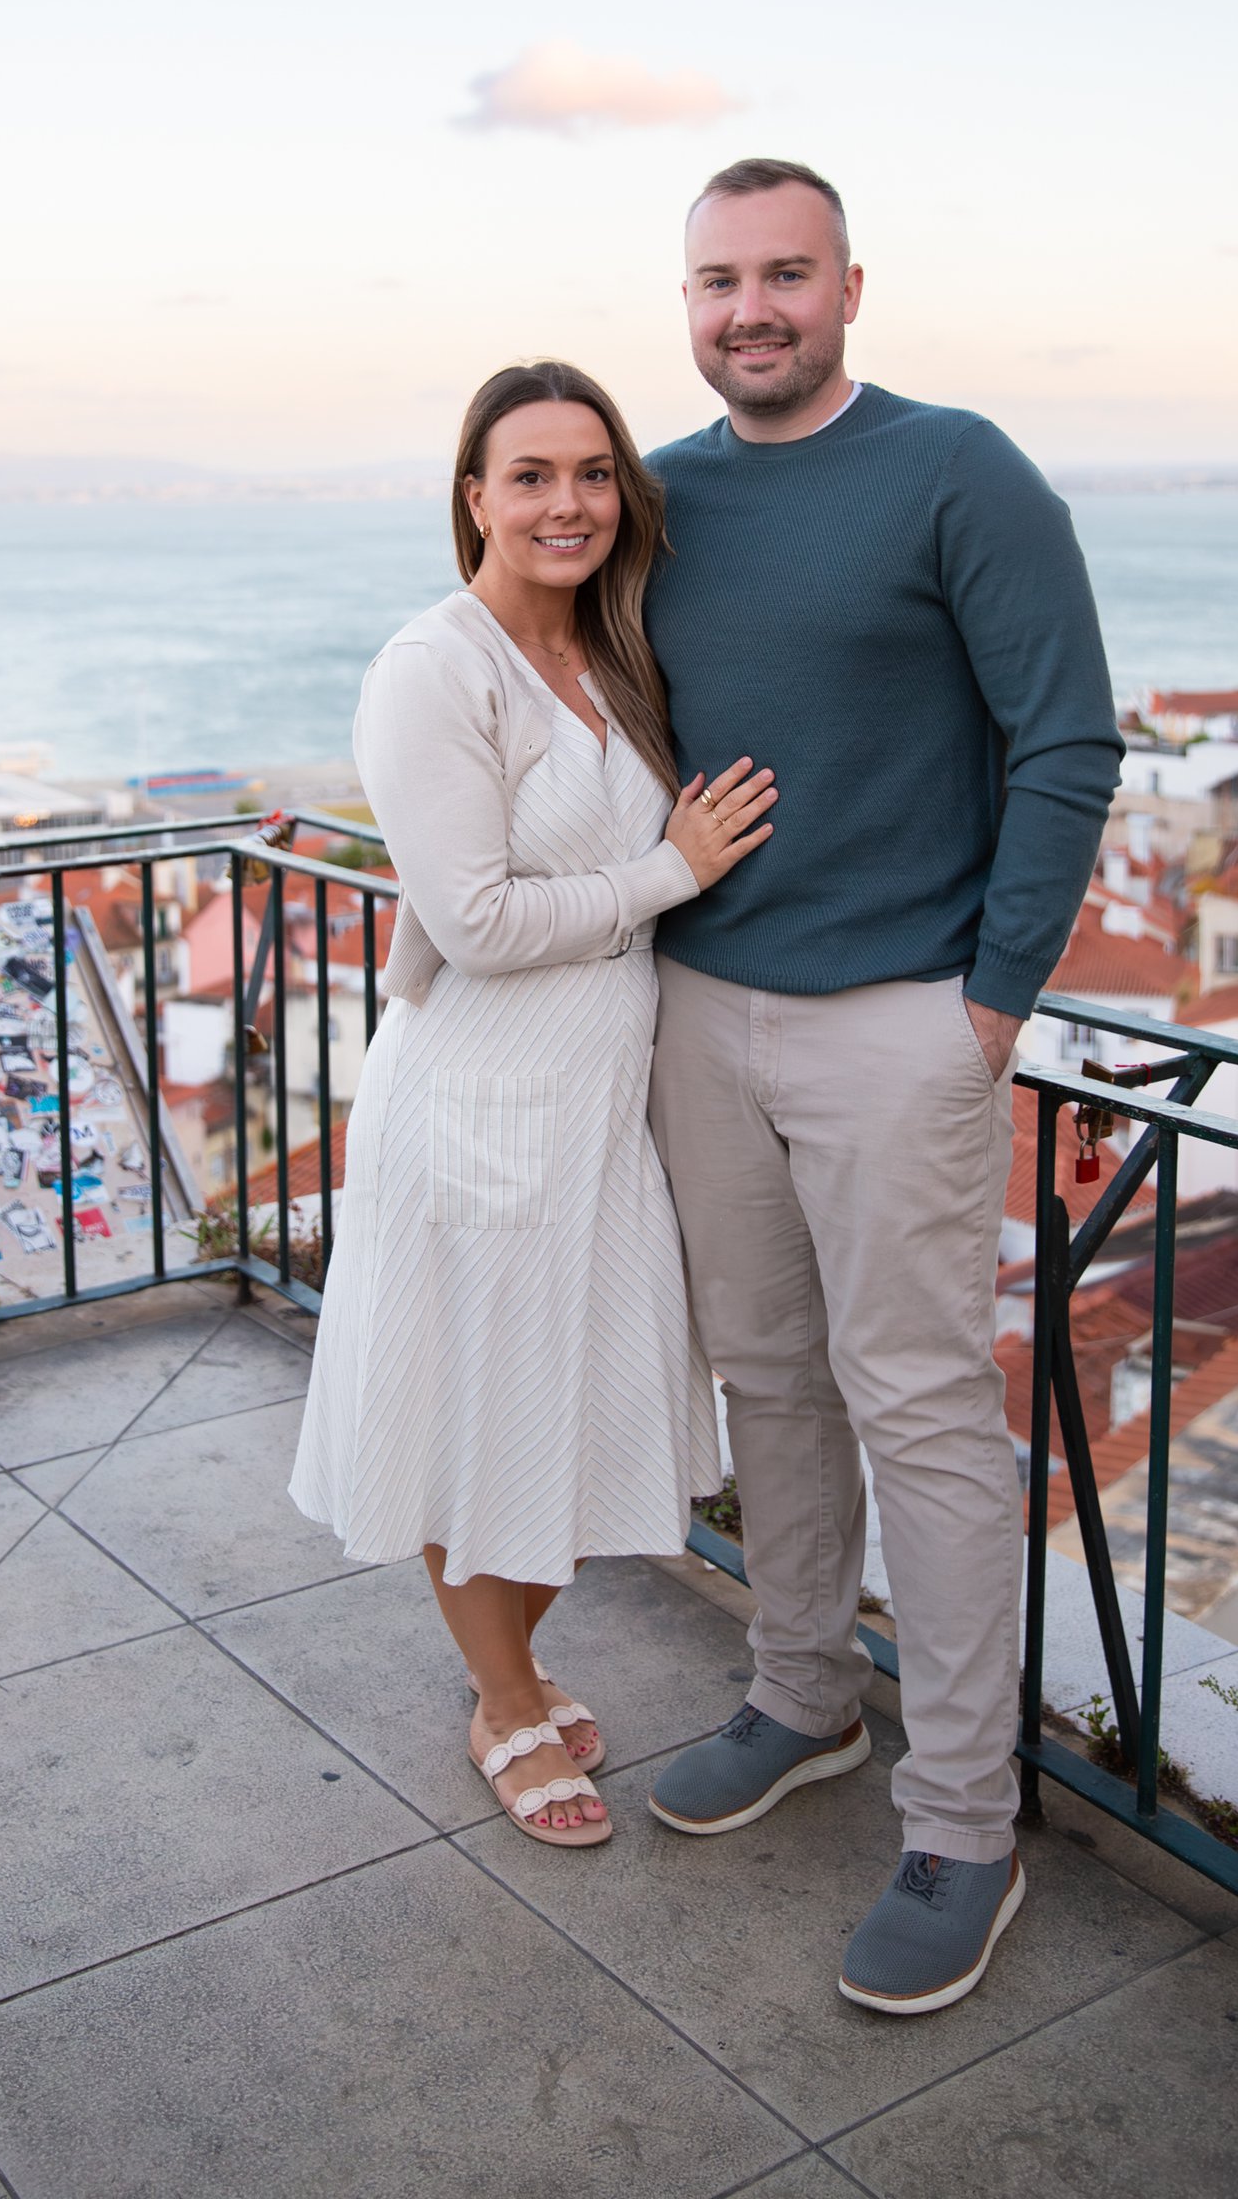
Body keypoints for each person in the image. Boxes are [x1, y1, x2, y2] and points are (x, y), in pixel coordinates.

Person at [642, 157, 1123, 2011]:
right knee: (766, 1375)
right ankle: (803, 1693)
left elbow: (1067, 739)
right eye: (718, 280)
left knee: (918, 1412)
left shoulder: (959, 471)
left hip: (901, 1021)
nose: (750, 308)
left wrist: (988, 1007)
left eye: (786, 274)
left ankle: (965, 1823)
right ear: (687, 304)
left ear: (851, 289)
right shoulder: (658, 498)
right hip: (701, 1007)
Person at [290, 360, 768, 1846]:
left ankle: (516, 1662)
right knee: (477, 1412)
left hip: (601, 1106)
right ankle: (504, 1701)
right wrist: (674, 872)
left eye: (593, 473)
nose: (569, 502)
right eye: (532, 475)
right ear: (475, 498)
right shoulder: (434, 669)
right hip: (481, 1102)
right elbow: (479, 922)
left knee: (580, 1406)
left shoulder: (615, 648)